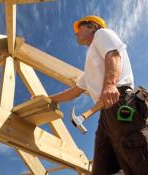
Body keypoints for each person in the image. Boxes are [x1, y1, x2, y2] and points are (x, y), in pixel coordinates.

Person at [49, 15, 148, 175]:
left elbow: (113, 55)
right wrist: (48, 99)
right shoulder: (90, 66)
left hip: (119, 101)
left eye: (79, 28)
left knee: (139, 158)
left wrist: (110, 83)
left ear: (92, 26)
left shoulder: (102, 34)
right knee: (102, 169)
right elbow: (73, 92)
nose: (75, 33)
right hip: (106, 116)